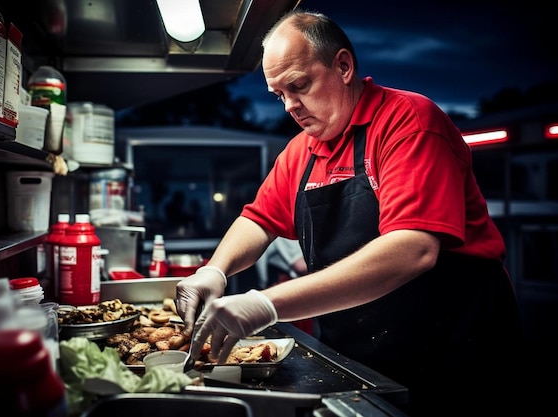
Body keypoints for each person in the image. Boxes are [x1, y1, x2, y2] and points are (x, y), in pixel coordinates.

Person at [175, 10, 523, 416]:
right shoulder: (300, 150)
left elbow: (413, 249)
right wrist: (214, 271)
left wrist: (265, 304)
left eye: (299, 85)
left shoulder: (409, 122)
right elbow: (259, 219)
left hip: (455, 351)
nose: (290, 106)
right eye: (278, 95)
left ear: (343, 65)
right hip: (360, 354)